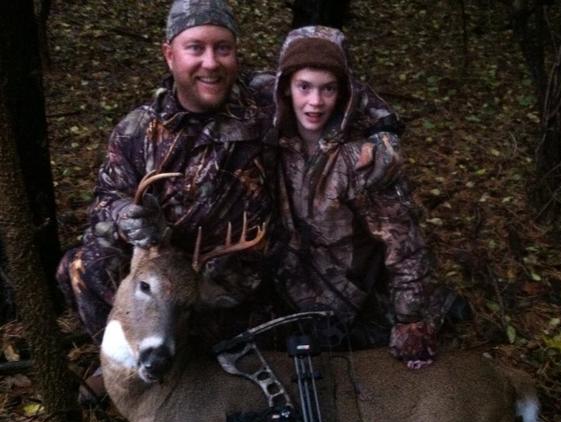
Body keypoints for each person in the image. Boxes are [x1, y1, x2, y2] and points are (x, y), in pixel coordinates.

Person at [56, 1, 401, 348]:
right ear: (169, 54)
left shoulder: (265, 96)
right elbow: (105, 200)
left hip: (246, 276)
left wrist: (384, 134)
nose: (211, 63)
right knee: (84, 266)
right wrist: (123, 215)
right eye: (195, 48)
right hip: (168, 272)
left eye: (223, 48)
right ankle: (132, 358)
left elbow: (337, 87)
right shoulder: (137, 130)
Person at [265, 26, 454, 369]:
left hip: (349, 302)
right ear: (285, 88)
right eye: (303, 87)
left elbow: (405, 245)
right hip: (285, 295)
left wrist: (410, 321)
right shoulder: (267, 139)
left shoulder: (363, 158)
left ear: (344, 93)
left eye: (329, 89)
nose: (315, 102)